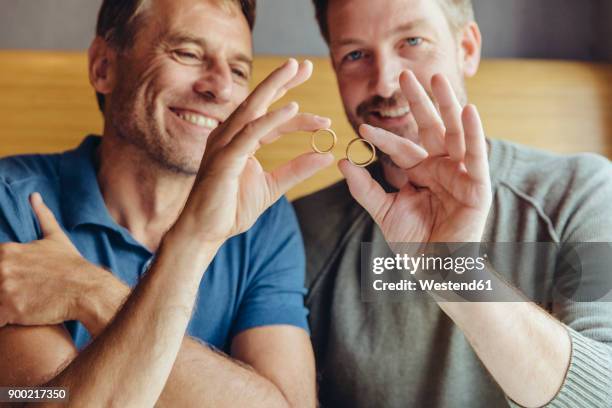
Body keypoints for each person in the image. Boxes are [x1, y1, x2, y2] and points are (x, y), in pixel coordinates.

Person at [0, 0, 334, 406]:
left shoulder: (263, 218)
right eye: (189, 54)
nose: (220, 87)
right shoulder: (11, 200)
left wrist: (91, 292)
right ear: (103, 67)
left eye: (239, 70)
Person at [293, 0, 612, 407]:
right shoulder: (301, 229)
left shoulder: (579, 193)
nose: (386, 83)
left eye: (412, 41)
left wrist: (456, 272)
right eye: (355, 54)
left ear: (467, 48)